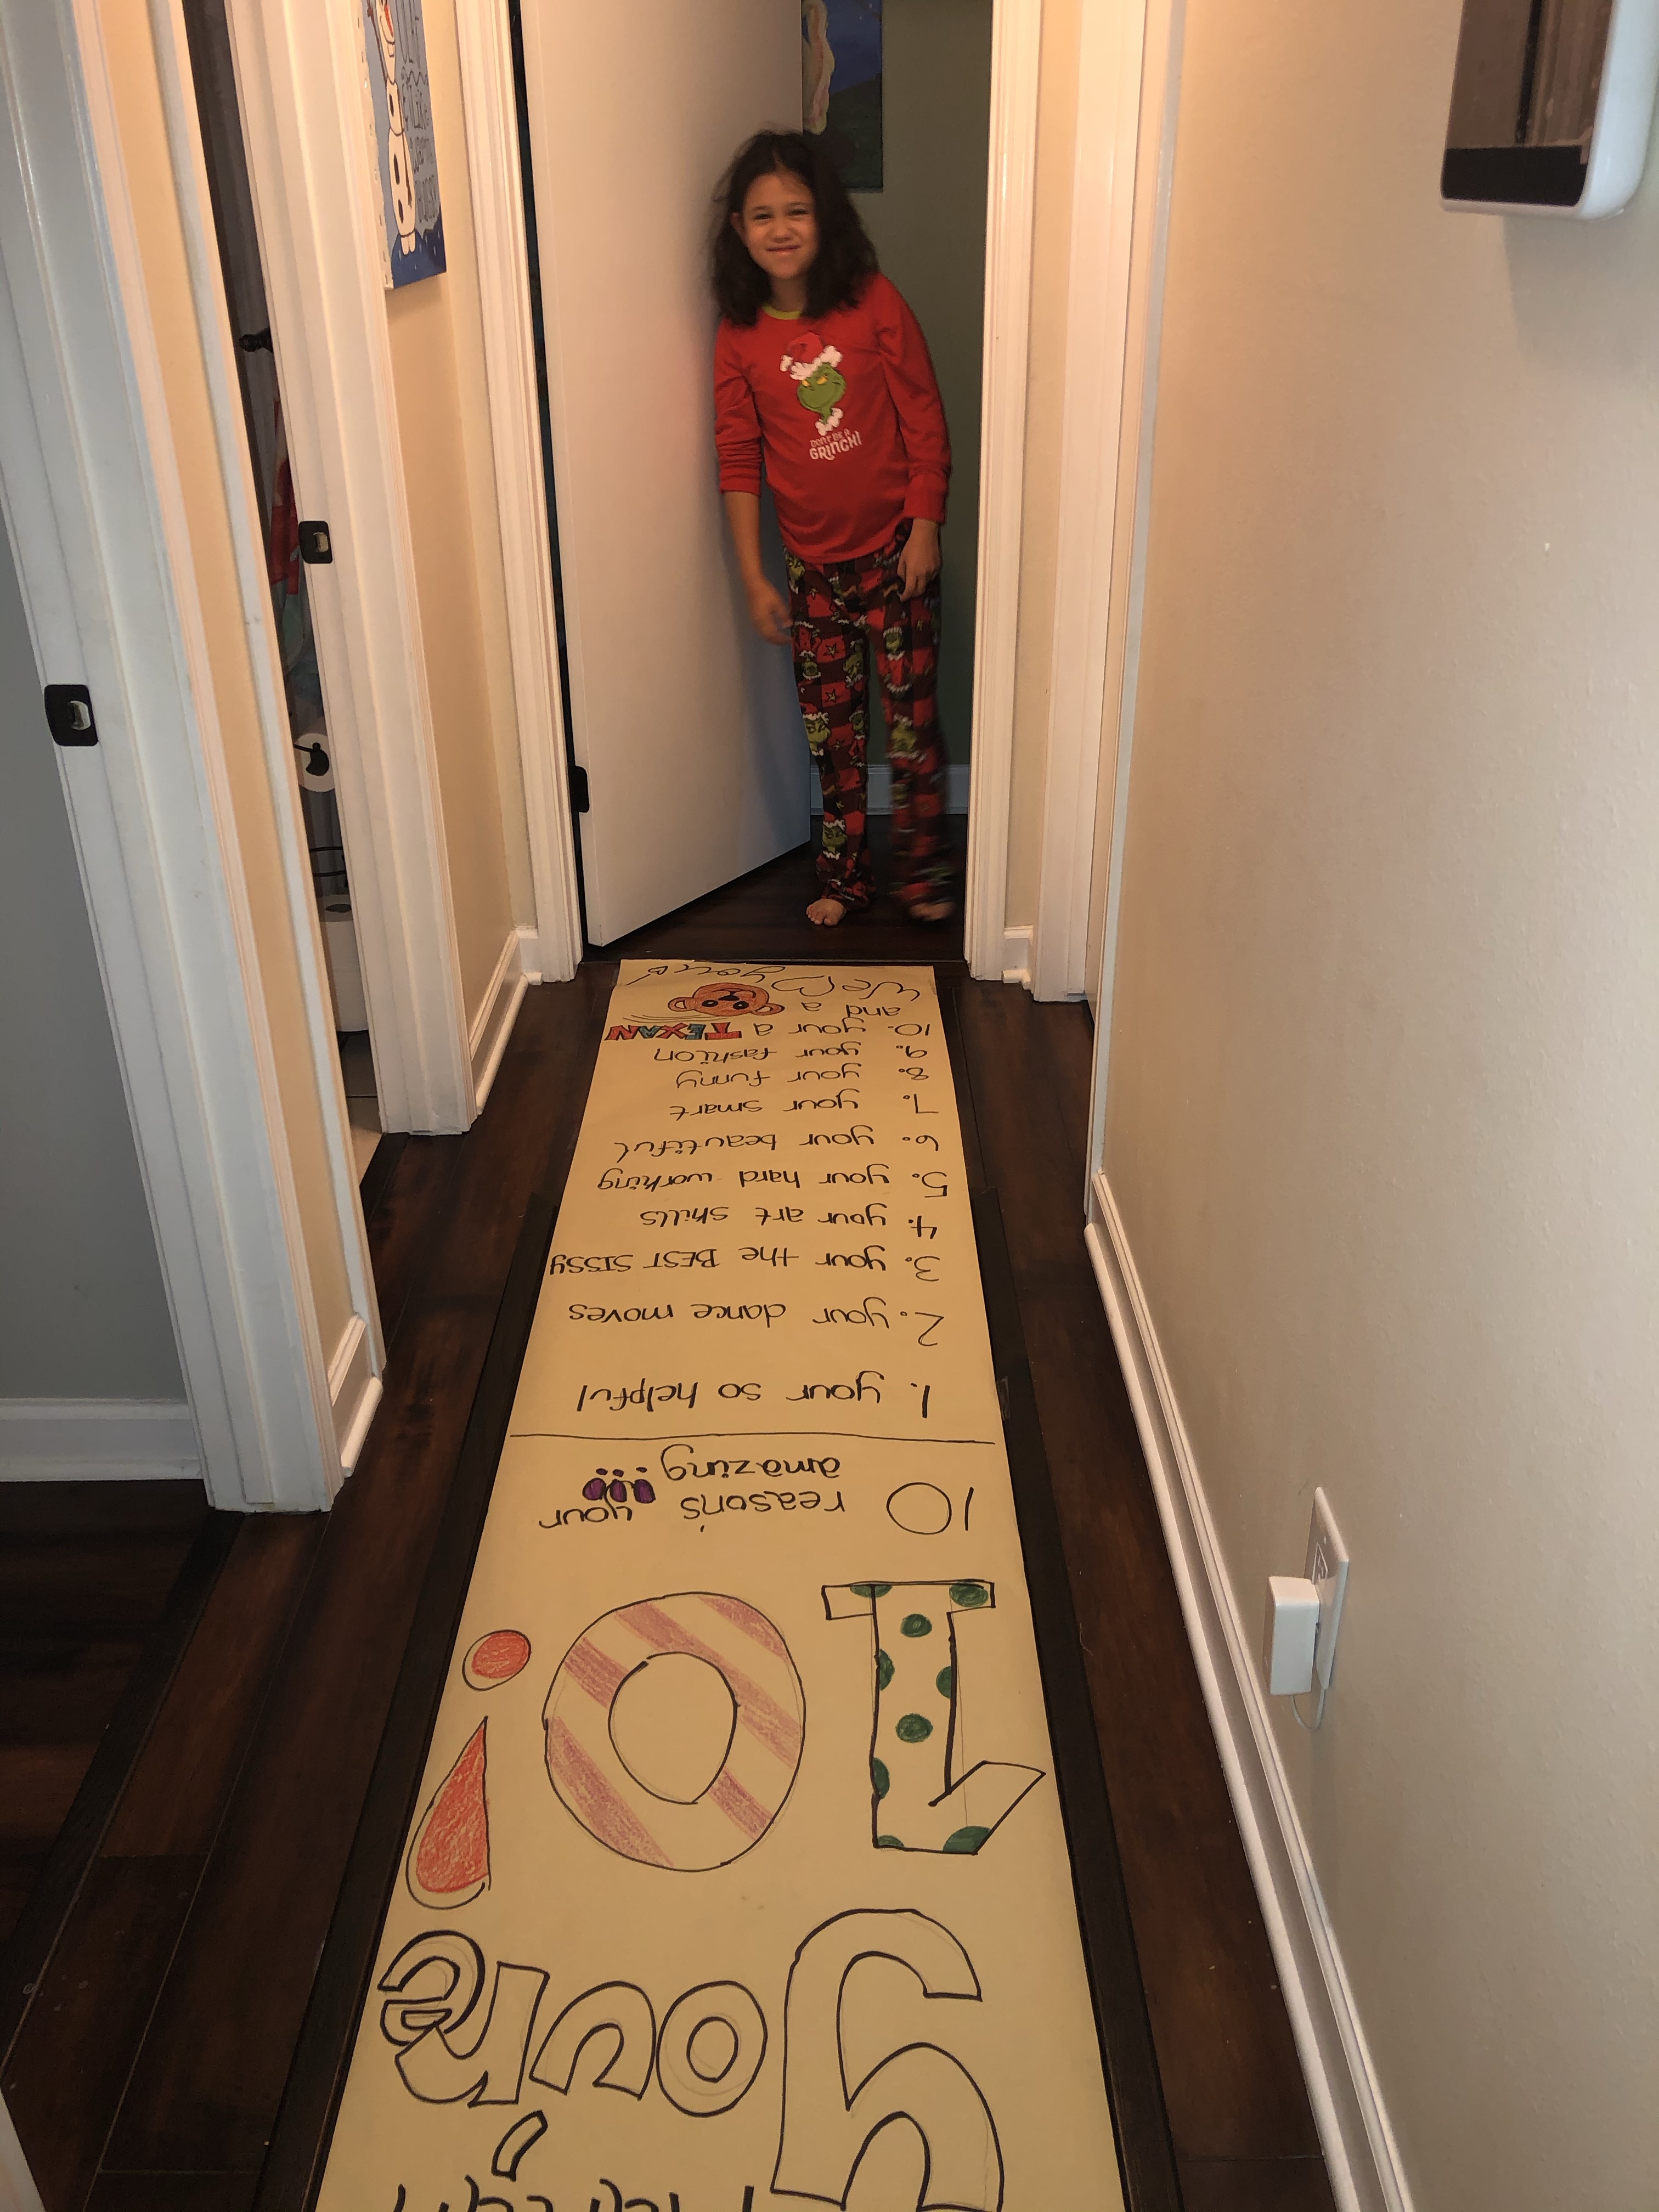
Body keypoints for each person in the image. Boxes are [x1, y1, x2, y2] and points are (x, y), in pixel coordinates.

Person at [712, 129, 955, 927]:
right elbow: (738, 455)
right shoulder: (739, 336)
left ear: (825, 217)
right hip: (812, 571)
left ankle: (923, 873)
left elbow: (922, 412)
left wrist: (925, 522)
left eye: (797, 211)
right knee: (834, 737)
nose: (781, 229)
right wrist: (755, 576)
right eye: (762, 216)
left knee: (912, 726)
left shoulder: (871, 300)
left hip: (898, 552)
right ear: (740, 230)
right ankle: (845, 880)